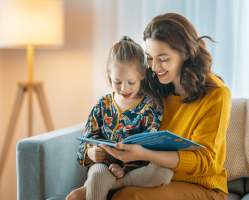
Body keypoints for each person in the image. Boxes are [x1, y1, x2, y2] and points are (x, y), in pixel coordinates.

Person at [100, 13, 231, 200]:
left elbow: (205, 161)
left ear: (186, 53)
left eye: (163, 59)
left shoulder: (216, 93)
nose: (154, 67)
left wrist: (145, 154)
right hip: (154, 177)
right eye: (150, 58)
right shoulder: (154, 83)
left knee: (130, 196)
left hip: (202, 186)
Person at [66, 36, 174, 200]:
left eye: (131, 82)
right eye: (117, 82)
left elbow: (150, 148)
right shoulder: (103, 105)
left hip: (134, 170)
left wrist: (125, 170)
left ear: (142, 75)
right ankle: (97, 184)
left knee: (163, 173)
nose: (124, 89)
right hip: (104, 165)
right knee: (97, 175)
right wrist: (91, 152)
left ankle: (112, 184)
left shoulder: (151, 107)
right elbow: (86, 141)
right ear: (109, 75)